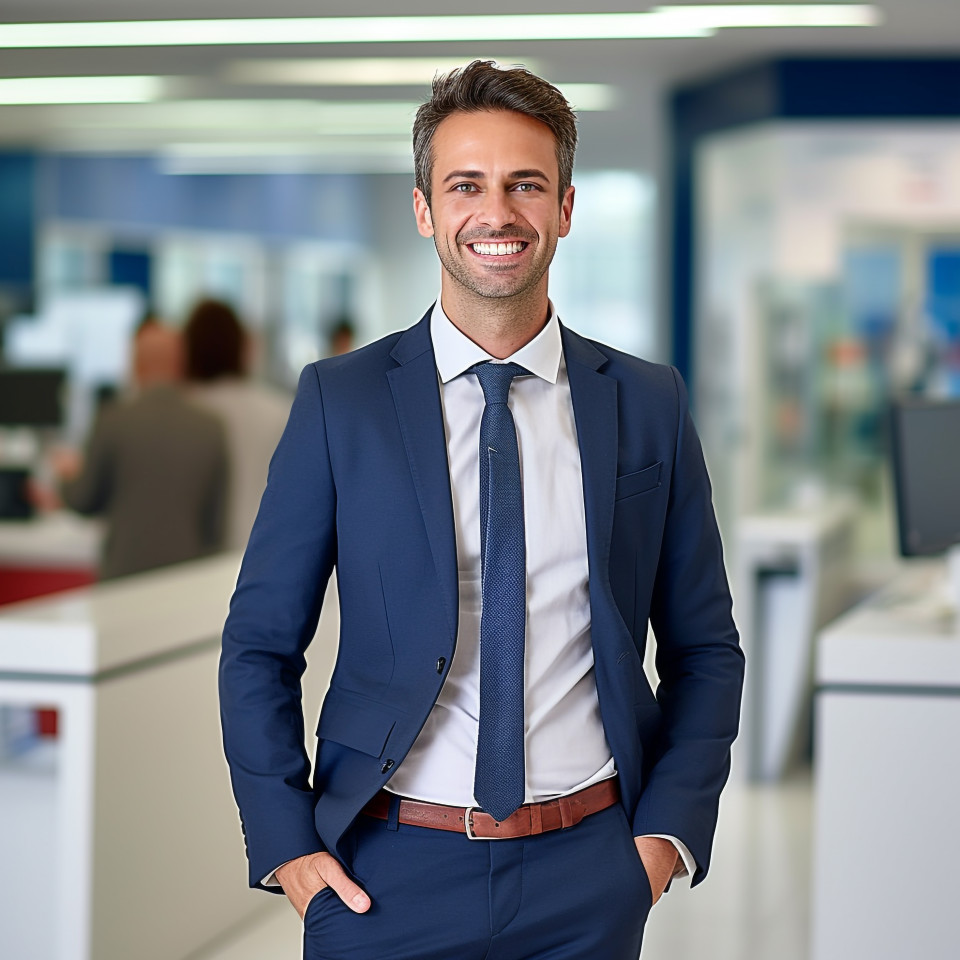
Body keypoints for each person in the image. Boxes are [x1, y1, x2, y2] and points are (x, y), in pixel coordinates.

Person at [219, 61, 744, 960]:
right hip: (384, 875)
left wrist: (663, 840)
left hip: (588, 873)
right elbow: (260, 642)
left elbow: (705, 646)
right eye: (466, 185)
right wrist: (290, 845)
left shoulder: (648, 403)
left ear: (565, 207)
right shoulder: (340, 401)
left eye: (524, 185)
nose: (496, 214)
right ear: (425, 208)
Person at [58, 323, 227, 579]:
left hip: (123, 577)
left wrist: (64, 478)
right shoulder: (211, 428)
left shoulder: (112, 420)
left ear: (135, 364)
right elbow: (215, 523)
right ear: (181, 365)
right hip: (187, 579)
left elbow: (84, 499)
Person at [182, 298, 291, 551]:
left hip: (197, 560)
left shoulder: (182, 414)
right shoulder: (279, 410)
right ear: (241, 345)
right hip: (265, 552)